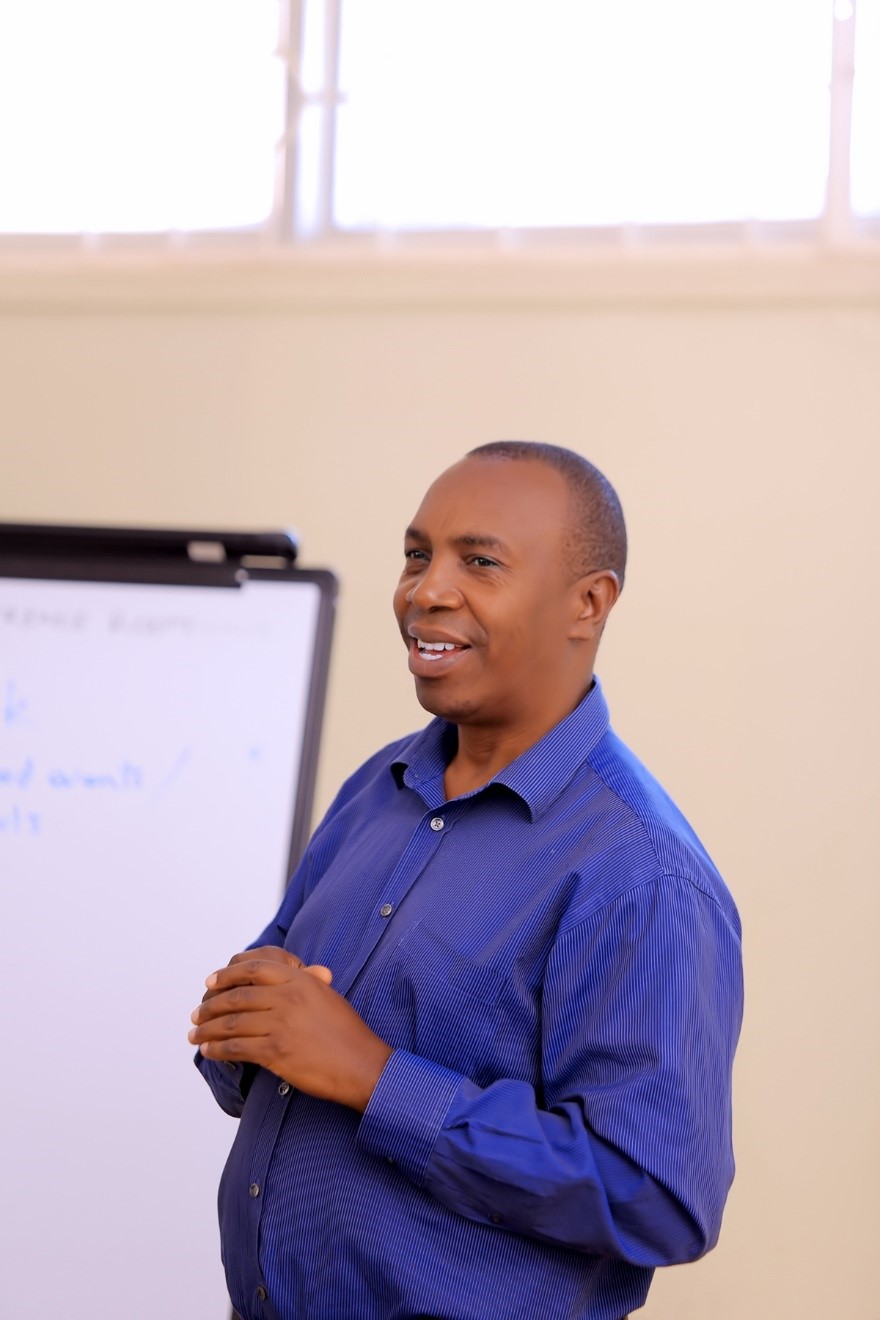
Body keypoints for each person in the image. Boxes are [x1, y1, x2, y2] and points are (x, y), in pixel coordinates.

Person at [190, 441, 743, 1320]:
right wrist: (246, 1027)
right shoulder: (382, 786)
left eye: (479, 561)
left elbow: (657, 1199)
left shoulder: (642, 875)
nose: (426, 591)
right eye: (417, 555)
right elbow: (283, 1032)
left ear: (588, 604)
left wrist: (376, 1077)